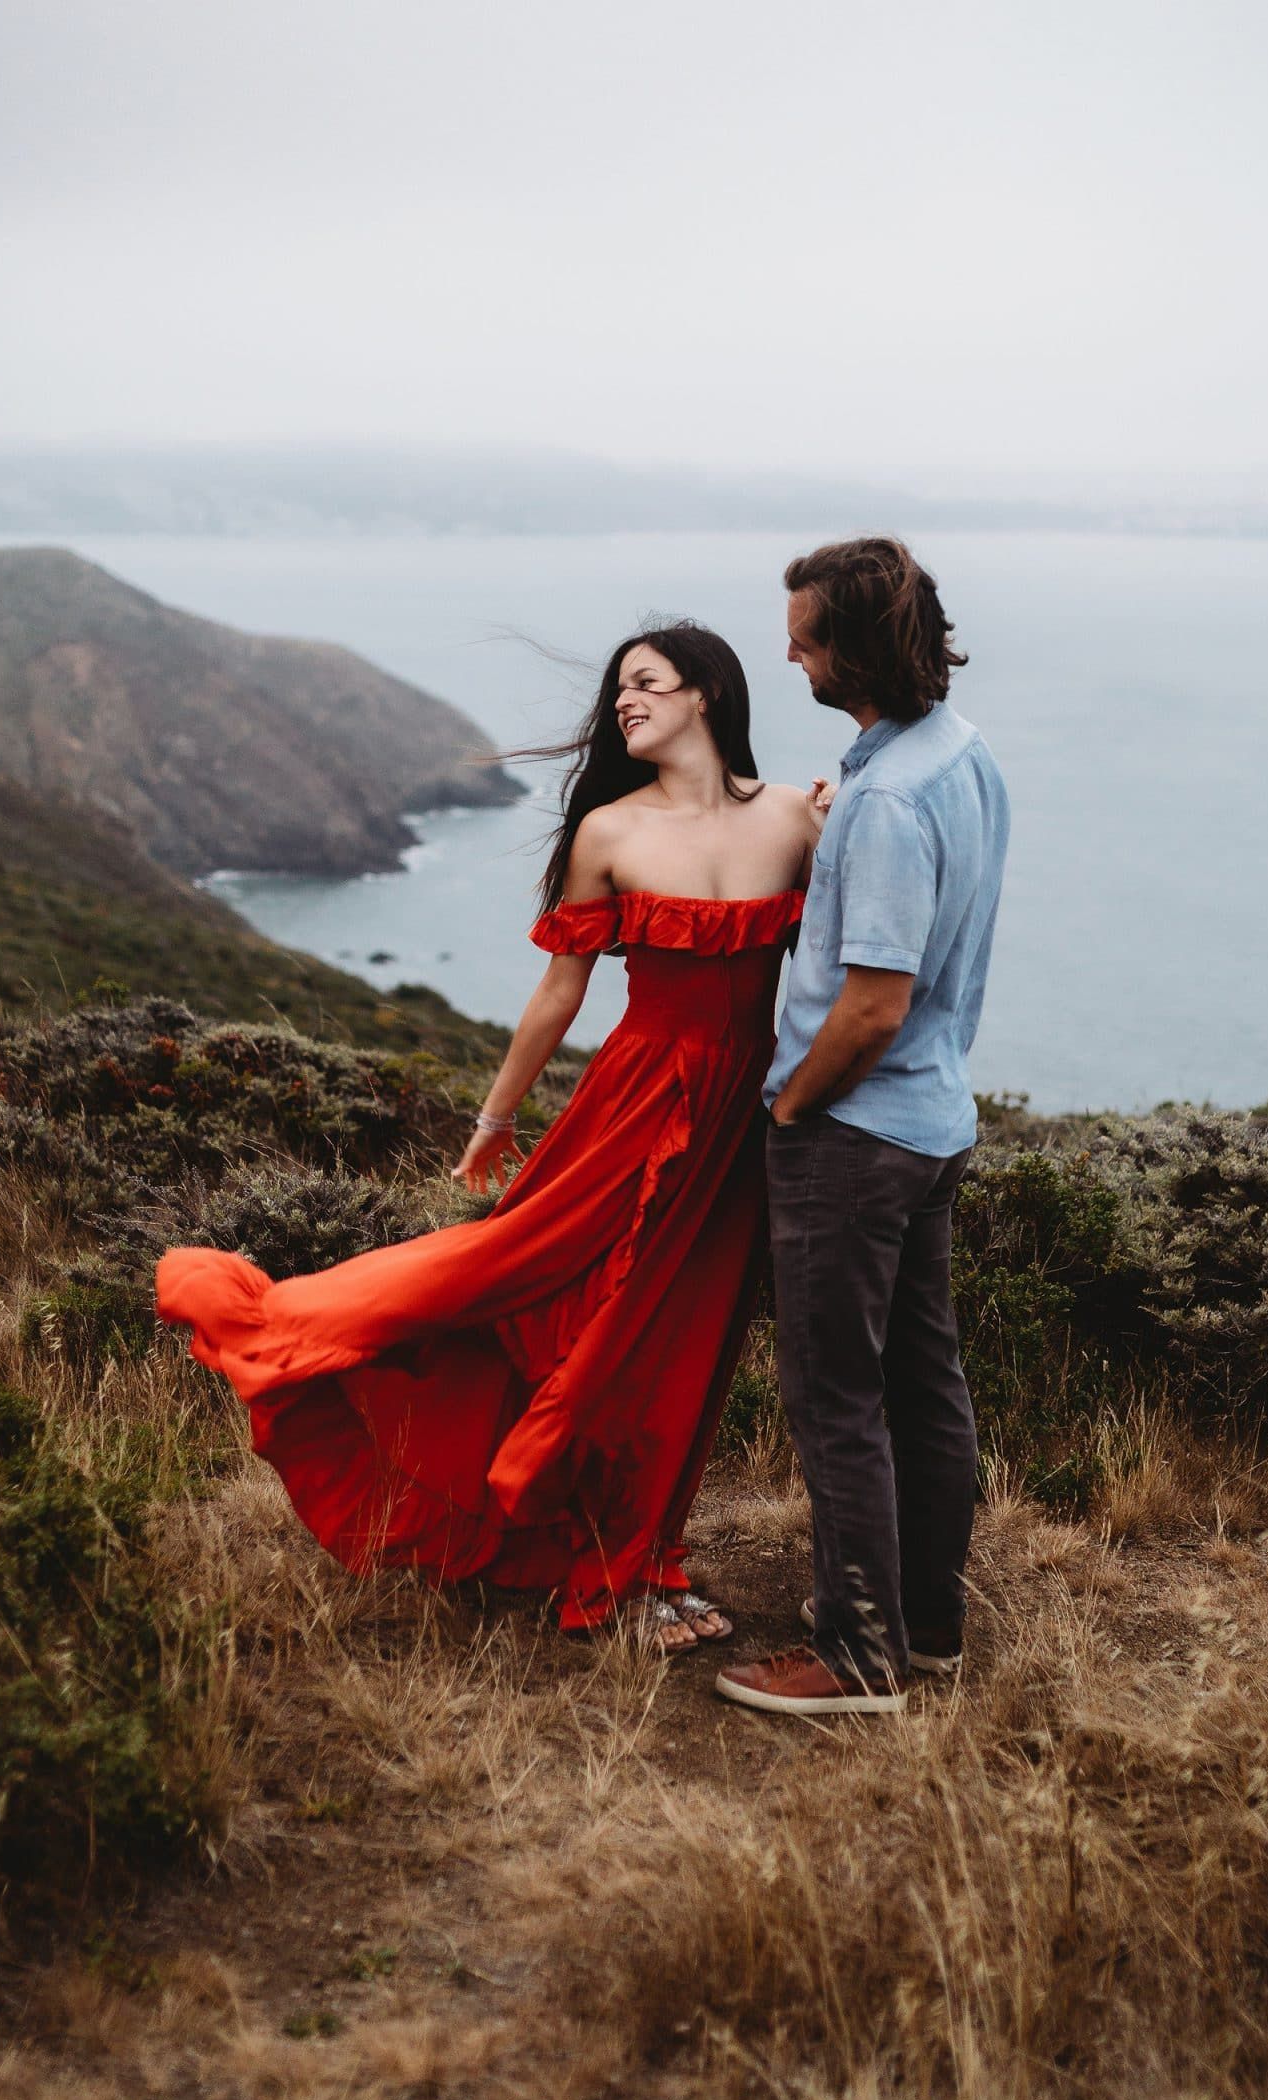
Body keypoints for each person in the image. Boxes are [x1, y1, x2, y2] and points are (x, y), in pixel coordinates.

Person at [157, 622, 819, 1651]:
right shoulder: (608, 831)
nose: (623, 704)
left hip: (742, 1121)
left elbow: (855, 947)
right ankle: (281, 1326)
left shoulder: (796, 816)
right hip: (634, 1105)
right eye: (618, 691)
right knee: (530, 1285)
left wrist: (848, 810)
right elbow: (561, 992)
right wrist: (495, 1117)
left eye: (645, 684)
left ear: (708, 695)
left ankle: (643, 1560)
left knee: (688, 1341)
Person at [715, 537, 1010, 1720]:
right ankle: (928, 1625)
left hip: (853, 1133)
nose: (788, 651)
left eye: (808, 636)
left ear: (862, 645)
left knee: (834, 1389)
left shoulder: (887, 801)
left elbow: (873, 1005)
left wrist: (790, 1106)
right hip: (932, 1123)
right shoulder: (958, 755)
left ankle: (857, 1655)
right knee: (920, 1378)